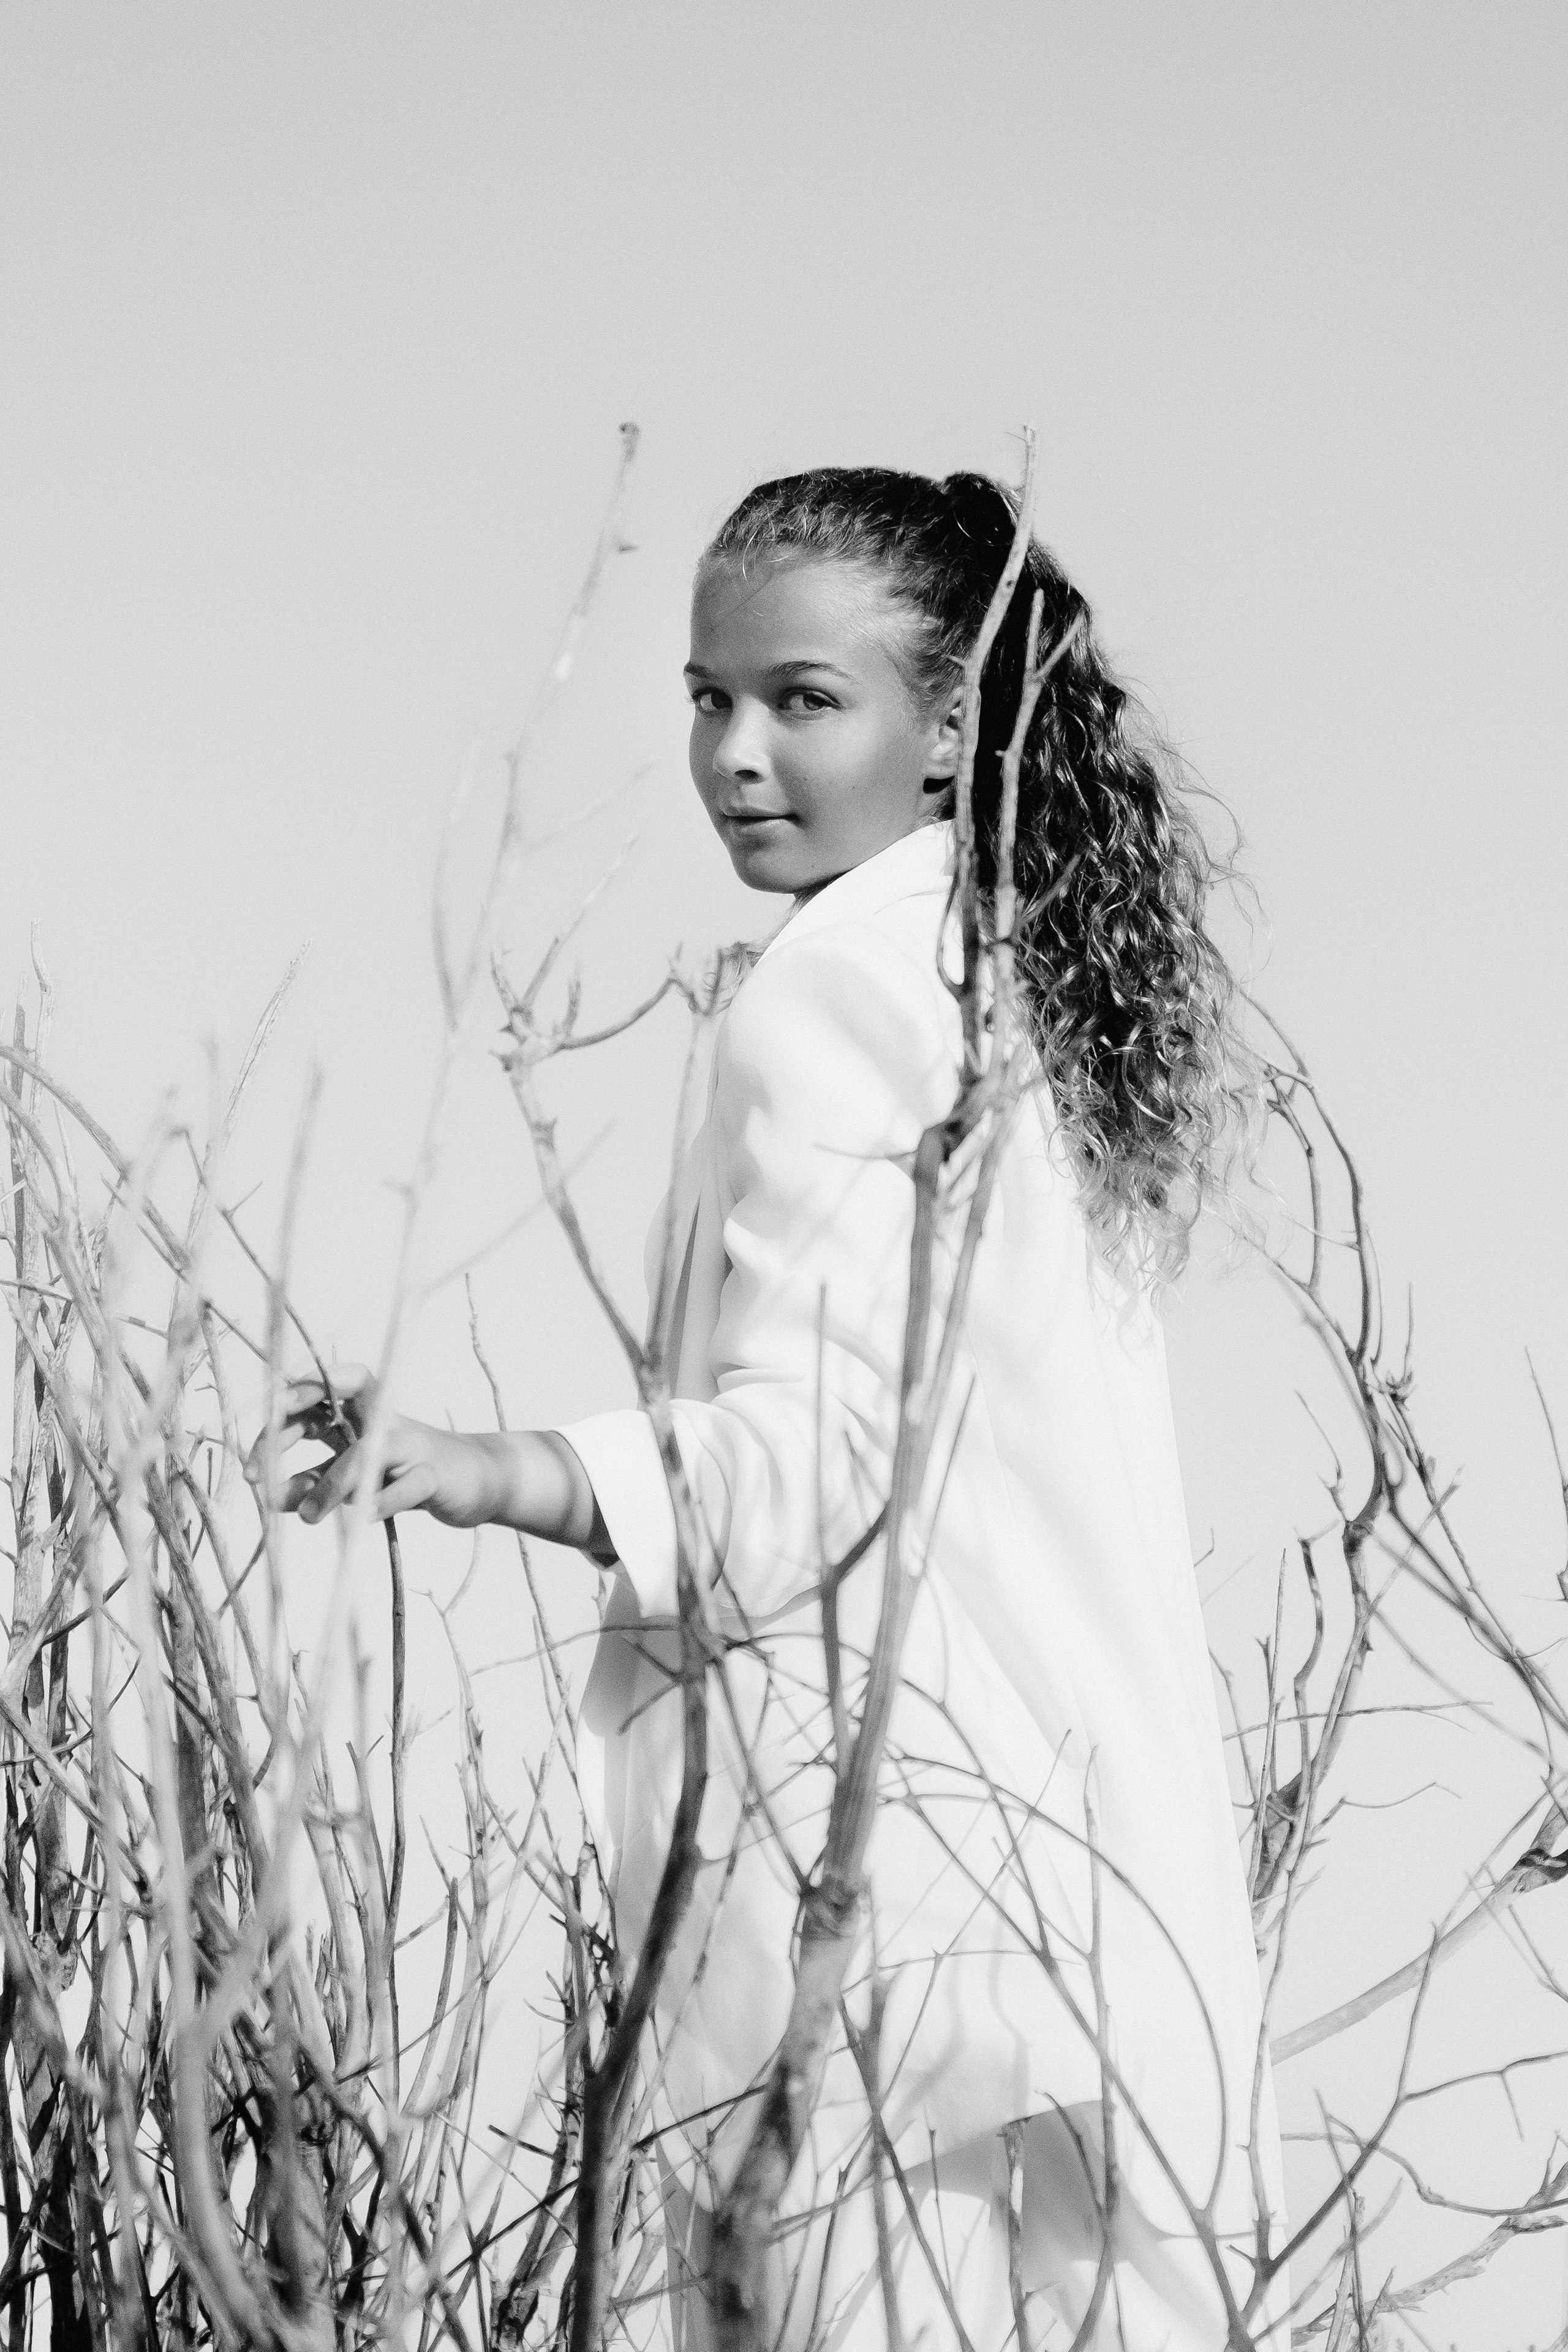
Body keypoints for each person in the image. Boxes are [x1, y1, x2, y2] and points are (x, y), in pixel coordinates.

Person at [260, 467, 1291, 2349]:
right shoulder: (1000, 992)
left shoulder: (834, 1001)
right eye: (704, 696)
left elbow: (829, 1468)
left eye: (804, 698)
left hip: (886, 1948)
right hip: (1067, 1952)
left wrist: (500, 1469)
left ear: (951, 723)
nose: (736, 753)